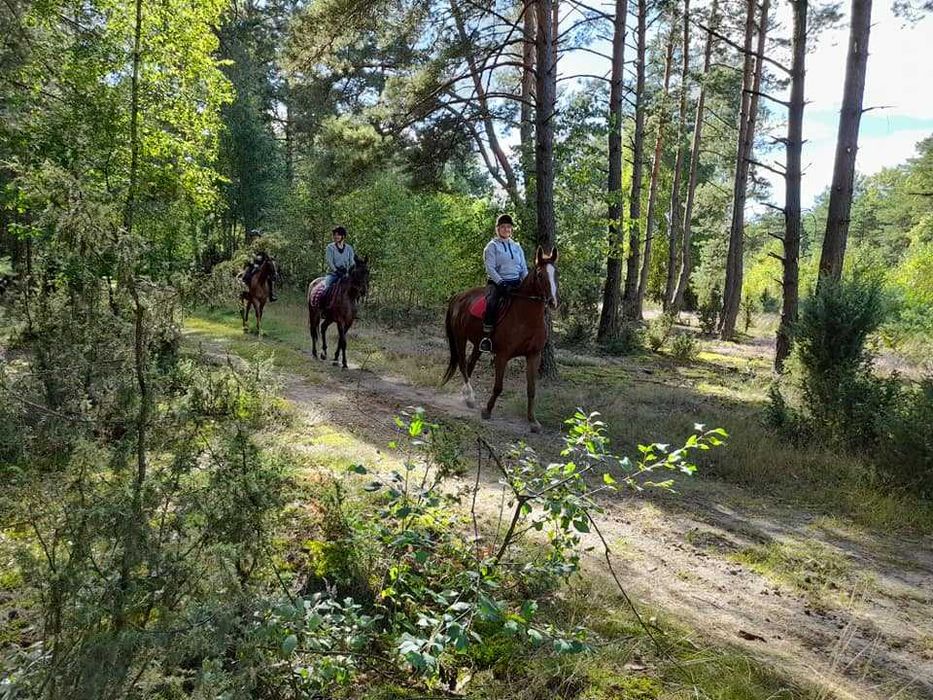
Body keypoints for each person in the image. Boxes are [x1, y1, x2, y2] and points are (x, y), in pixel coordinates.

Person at [479, 214, 527, 352]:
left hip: (516, 283)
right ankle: (486, 338)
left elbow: (523, 268)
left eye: (509, 227)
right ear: (498, 229)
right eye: (503, 227)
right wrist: (501, 283)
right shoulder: (492, 246)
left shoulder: (517, 246)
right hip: (497, 283)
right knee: (492, 303)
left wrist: (525, 283)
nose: (506, 229)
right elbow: (490, 268)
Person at [242, 230, 277, 301]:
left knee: (270, 277)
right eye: (253, 237)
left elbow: (266, 255)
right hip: (252, 265)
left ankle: (271, 294)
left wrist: (269, 257)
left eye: (256, 236)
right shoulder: (250, 246)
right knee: (246, 275)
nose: (255, 238)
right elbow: (247, 255)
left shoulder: (262, 246)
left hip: (262, 265)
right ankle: (246, 291)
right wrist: (253, 258)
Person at [322, 225, 356, 298]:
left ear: (343, 236)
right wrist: (336, 270)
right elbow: (329, 261)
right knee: (326, 289)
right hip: (333, 274)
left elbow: (352, 262)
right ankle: (322, 306)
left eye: (338, 235)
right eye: (335, 235)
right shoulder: (330, 247)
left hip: (345, 274)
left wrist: (349, 271)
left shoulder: (349, 248)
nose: (336, 236)